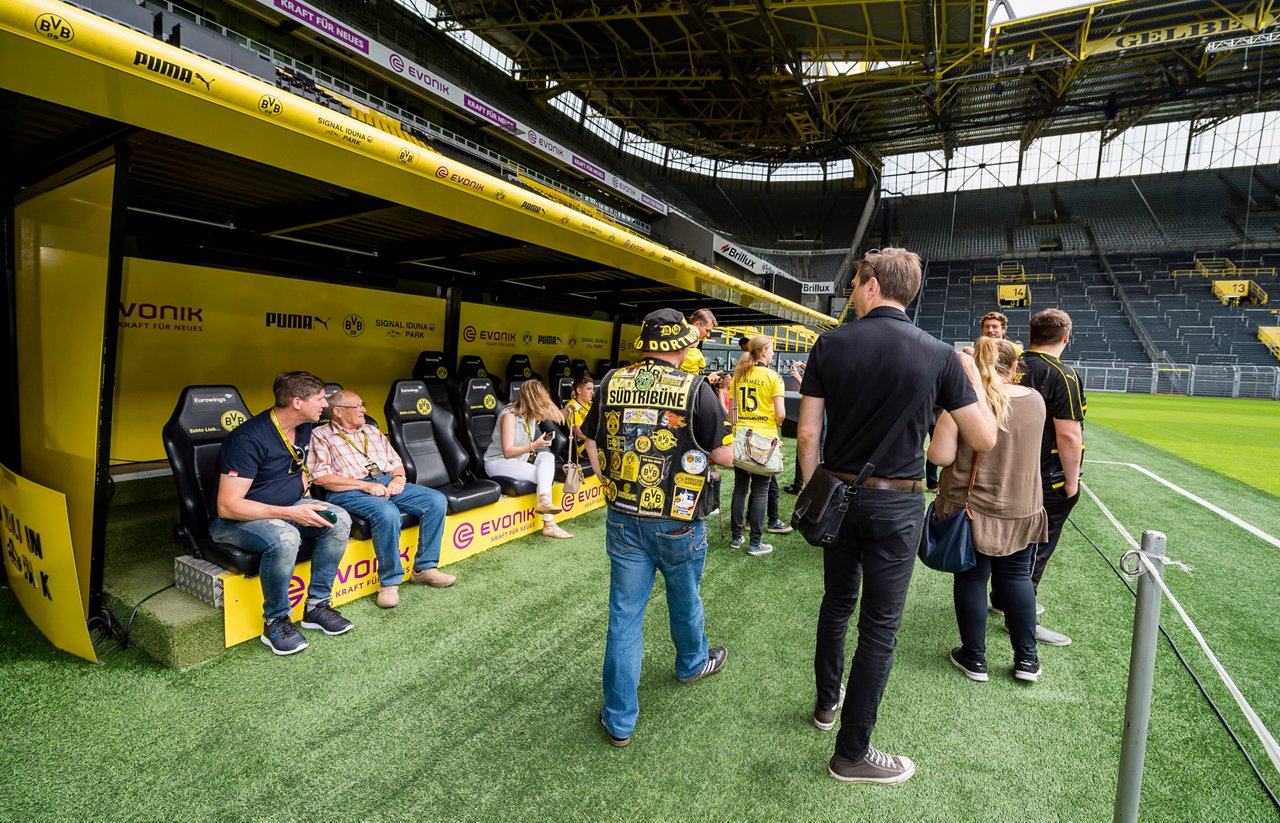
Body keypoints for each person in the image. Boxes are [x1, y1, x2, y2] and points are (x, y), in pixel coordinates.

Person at [797, 247, 997, 784]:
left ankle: (825, 705)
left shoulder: (829, 344)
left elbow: (809, 433)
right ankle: (851, 753)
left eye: (857, 283)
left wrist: (816, 493)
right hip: (898, 503)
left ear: (870, 284)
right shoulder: (935, 353)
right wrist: (972, 376)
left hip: (836, 493)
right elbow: (983, 437)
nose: (853, 292)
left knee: (837, 602)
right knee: (879, 629)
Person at [582, 308, 734, 747]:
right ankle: (691, 663)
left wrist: (606, 483)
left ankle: (619, 720)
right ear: (681, 347)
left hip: (624, 514)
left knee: (624, 617)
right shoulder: (696, 388)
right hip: (679, 520)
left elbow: (589, 436)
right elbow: (723, 457)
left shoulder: (611, 381)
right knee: (684, 598)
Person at [927, 338, 1048, 682]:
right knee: (1017, 578)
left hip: (972, 508)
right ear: (1014, 368)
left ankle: (974, 658)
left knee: (972, 578)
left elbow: (939, 457)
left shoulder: (961, 404)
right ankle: (1027, 659)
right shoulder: (1036, 401)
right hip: (1022, 505)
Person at [209, 371, 354, 656]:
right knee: (286, 537)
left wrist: (304, 498)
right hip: (237, 521)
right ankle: (276, 621)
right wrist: (290, 512)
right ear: (297, 402)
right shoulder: (248, 439)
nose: (325, 405)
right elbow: (227, 506)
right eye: (320, 399)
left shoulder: (305, 427)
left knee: (339, 520)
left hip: (290, 506)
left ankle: (317, 607)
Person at [308, 389, 455, 610]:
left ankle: (424, 569)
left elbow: (395, 461)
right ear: (338, 412)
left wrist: (398, 478)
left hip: (385, 481)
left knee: (435, 500)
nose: (363, 410)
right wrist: (366, 485)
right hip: (349, 489)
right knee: (386, 513)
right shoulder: (320, 435)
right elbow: (321, 478)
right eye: (357, 406)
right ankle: (389, 583)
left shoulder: (371, 430)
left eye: (362, 404)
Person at [990, 308, 1085, 647]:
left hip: (1004, 469)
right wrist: (1071, 483)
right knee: (1035, 549)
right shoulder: (1063, 374)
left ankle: (1004, 601)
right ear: (1066, 337)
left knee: (1010, 542)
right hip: (1047, 477)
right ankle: (1020, 619)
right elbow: (1069, 435)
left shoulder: (1013, 365)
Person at [484, 380, 573, 539]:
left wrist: (567, 410)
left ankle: (544, 502)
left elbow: (553, 415)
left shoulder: (531, 416)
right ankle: (549, 523)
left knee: (548, 456)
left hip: (519, 458)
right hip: (497, 462)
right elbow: (508, 452)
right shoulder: (509, 415)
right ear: (530, 401)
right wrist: (534, 445)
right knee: (541, 474)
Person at [728, 335, 787, 555]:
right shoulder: (773, 377)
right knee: (761, 491)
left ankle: (736, 538)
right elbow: (781, 414)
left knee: (740, 488)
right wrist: (773, 421)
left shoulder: (739, 375)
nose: (772, 353)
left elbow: (730, 412)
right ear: (763, 351)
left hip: (742, 436)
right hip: (765, 441)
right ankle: (755, 543)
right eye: (771, 350)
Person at [563, 373, 595, 459]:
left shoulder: (592, 405)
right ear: (579, 390)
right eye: (589, 389)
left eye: (593, 389)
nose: (592, 392)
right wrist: (598, 441)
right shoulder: (572, 406)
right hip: (584, 445)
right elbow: (579, 433)